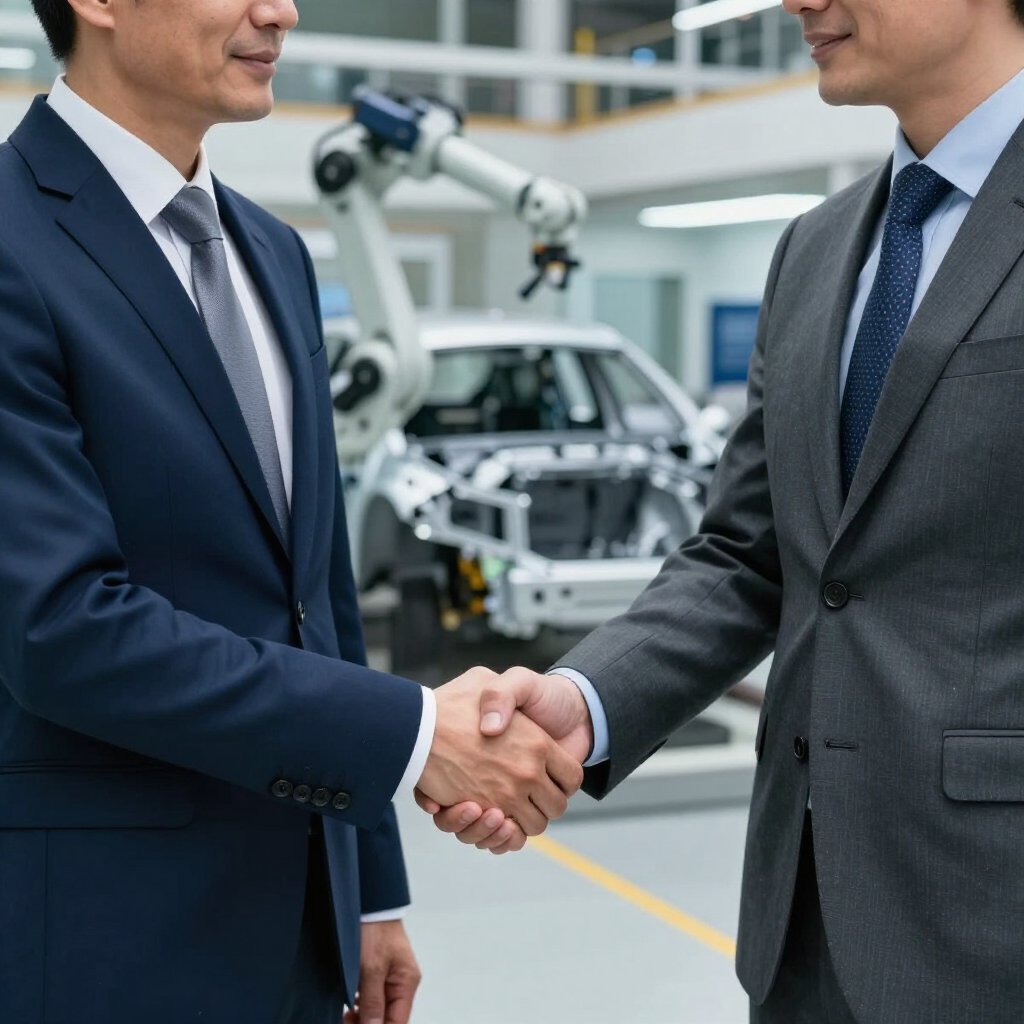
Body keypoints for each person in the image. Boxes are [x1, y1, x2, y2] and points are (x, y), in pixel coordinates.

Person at [423, 0, 1024, 1019]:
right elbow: (750, 555)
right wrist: (582, 703)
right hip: (803, 916)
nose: (796, 0)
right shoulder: (818, 249)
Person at [0, 2, 583, 1022]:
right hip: (108, 934)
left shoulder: (272, 254)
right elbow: (61, 627)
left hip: (303, 927)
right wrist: (414, 733)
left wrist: (371, 888)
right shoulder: (10, 243)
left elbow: (316, 598)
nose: (282, 10)